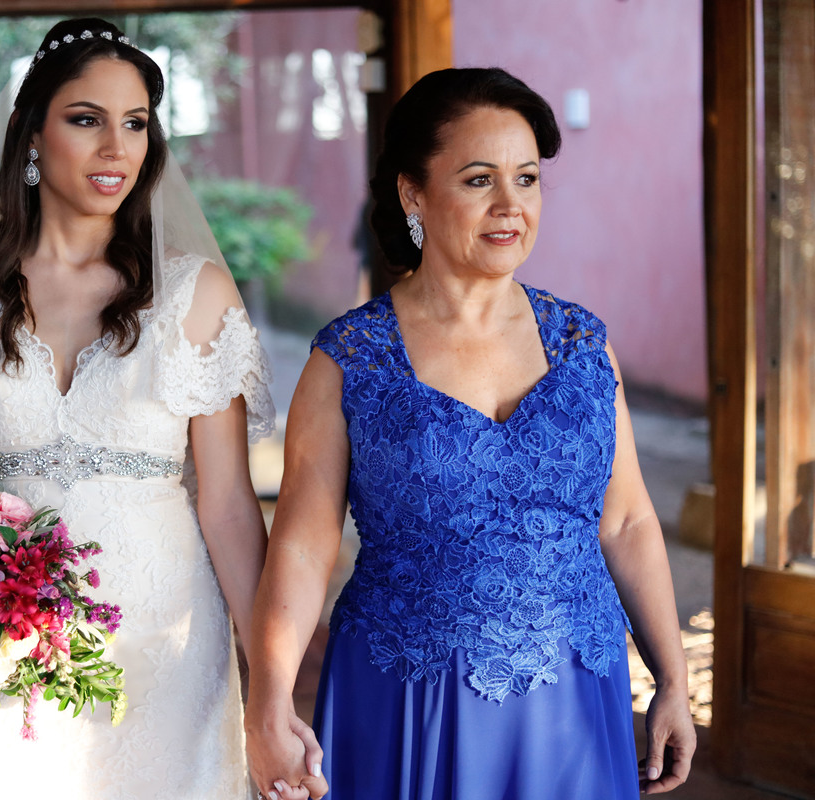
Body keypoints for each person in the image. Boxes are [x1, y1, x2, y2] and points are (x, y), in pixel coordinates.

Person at [245, 67, 696, 800]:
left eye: (527, 179)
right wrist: (269, 701)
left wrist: (672, 679)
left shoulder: (585, 345)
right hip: (409, 698)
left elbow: (626, 520)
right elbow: (302, 543)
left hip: (575, 700)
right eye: (479, 180)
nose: (510, 206)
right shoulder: (349, 359)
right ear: (413, 194)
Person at [0, 18, 277, 799]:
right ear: (33, 134)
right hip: (8, 641)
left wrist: (268, 675)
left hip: (167, 639)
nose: (116, 148)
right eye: (87, 120)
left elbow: (229, 501)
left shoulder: (194, 293)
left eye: (136, 124)